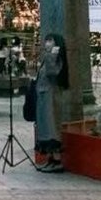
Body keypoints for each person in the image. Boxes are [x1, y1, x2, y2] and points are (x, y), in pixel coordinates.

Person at [33, 33, 69, 171]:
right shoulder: (48, 57)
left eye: (50, 41)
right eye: (46, 40)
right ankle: (50, 158)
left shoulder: (56, 57)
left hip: (51, 97)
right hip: (43, 97)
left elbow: (52, 72)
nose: (46, 43)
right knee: (45, 127)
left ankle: (57, 160)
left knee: (52, 127)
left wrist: (52, 55)